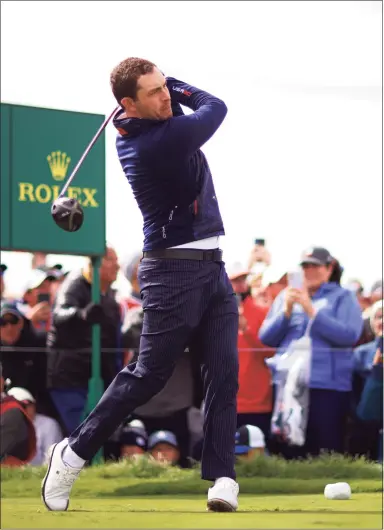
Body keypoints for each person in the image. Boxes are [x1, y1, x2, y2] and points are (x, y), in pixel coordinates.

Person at [42, 57, 239, 513]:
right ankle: (71, 455)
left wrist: (166, 89)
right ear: (128, 103)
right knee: (148, 375)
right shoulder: (154, 143)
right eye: (155, 91)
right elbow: (216, 107)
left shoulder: (157, 124)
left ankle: (223, 478)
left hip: (212, 266)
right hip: (172, 272)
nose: (165, 96)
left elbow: (192, 110)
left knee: (223, 373)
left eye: (164, 87)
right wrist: (181, 84)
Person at [259, 247, 363, 458]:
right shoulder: (286, 296)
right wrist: (286, 312)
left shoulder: (344, 297)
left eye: (315, 266)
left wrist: (311, 311)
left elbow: (349, 336)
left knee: (325, 449)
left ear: (329, 268)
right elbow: (266, 337)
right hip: (288, 385)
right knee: (288, 448)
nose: (309, 271)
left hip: (327, 386)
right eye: (305, 266)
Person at [46, 247, 121, 436]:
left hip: (98, 377)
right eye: (110, 259)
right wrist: (81, 314)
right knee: (81, 433)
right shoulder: (74, 284)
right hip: (69, 377)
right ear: (93, 263)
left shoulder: (110, 297)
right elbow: (58, 316)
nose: (117, 265)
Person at [7, 387, 63, 466]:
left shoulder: (48, 424)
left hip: (38, 473)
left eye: (27, 405)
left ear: (34, 405)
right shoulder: (5, 426)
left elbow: (51, 458)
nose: (24, 409)